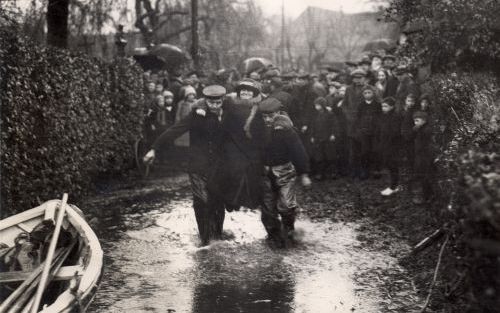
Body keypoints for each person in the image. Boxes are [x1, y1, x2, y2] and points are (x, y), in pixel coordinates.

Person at [143, 85, 229, 246]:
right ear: (206, 101)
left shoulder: (228, 114)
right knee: (201, 200)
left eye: (218, 102)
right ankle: (205, 240)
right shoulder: (196, 115)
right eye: (212, 103)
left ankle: (218, 236)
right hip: (198, 165)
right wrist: (154, 149)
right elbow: (175, 130)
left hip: (219, 166)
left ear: (223, 100)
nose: (215, 106)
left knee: (218, 201)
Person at [258, 97, 312, 248]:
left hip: (285, 171)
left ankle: (289, 229)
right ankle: (273, 236)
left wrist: (304, 174)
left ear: (279, 113)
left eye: (271, 116)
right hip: (265, 173)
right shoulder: (259, 130)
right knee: (268, 208)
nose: (267, 119)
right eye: (264, 116)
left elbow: (299, 152)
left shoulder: (287, 131)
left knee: (286, 205)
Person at [352, 84, 381, 179]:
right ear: (363, 94)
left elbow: (380, 118)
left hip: (375, 131)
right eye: (365, 93)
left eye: (369, 92)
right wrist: (360, 129)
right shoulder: (361, 105)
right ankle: (365, 170)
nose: (367, 94)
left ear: (373, 93)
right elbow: (357, 118)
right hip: (364, 131)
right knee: (365, 151)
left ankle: (376, 170)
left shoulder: (377, 104)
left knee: (376, 150)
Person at [377, 97, 402, 196]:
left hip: (393, 145)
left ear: (392, 107)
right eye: (382, 106)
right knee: (390, 165)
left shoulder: (395, 116)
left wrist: (388, 140)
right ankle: (394, 185)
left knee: (393, 165)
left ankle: (394, 187)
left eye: (385, 106)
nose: (383, 108)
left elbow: (395, 132)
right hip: (386, 144)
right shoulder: (385, 115)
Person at [309, 97, 338, 180]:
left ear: (322, 105)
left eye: (318, 105)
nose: (316, 106)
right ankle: (320, 173)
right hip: (318, 138)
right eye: (315, 105)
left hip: (328, 138)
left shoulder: (330, 114)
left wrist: (333, 134)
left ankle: (333, 173)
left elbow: (334, 125)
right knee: (319, 156)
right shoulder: (315, 115)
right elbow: (312, 126)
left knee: (330, 156)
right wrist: (312, 136)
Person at [411, 111, 437, 204]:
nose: (415, 123)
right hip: (421, 155)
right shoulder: (420, 128)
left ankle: (427, 197)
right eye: (414, 121)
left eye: (417, 120)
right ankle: (426, 195)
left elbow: (428, 144)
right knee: (422, 175)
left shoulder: (426, 130)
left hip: (426, 156)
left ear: (424, 120)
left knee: (425, 176)